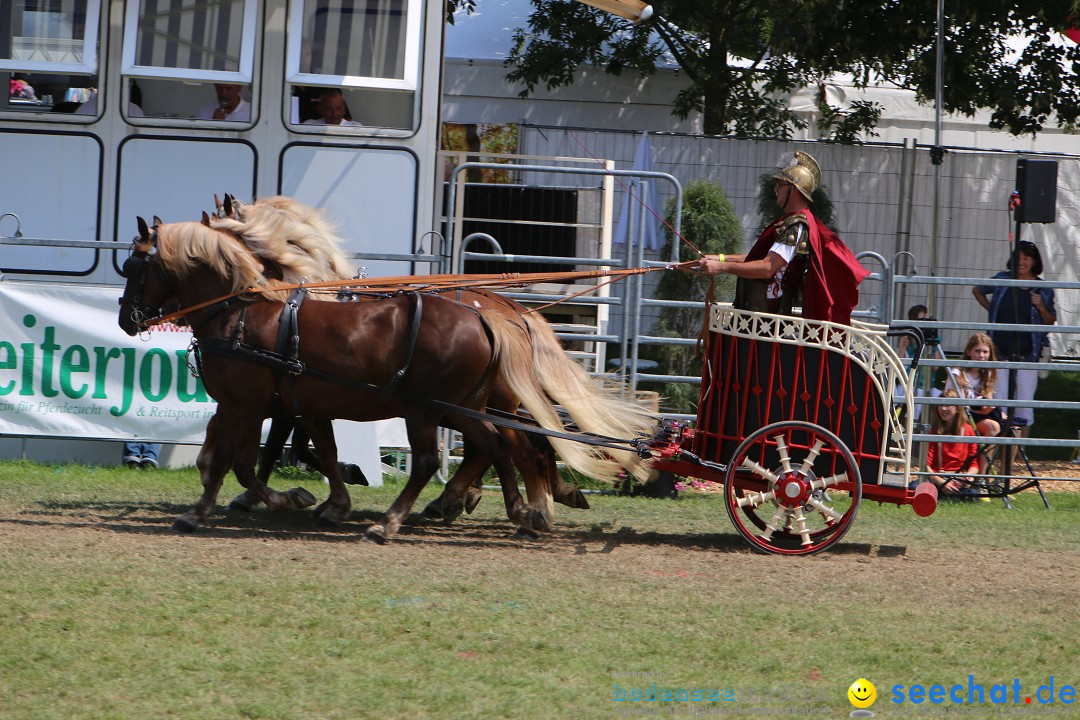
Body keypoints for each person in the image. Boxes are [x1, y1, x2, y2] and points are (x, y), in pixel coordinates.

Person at [696, 151, 869, 325]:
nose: (775, 189)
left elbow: (768, 267)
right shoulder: (789, 222)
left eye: (780, 184)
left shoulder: (796, 226)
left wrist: (721, 267)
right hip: (759, 314)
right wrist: (720, 258)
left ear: (793, 189)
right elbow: (761, 259)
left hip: (768, 319)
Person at [971, 240, 1056, 432]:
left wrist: (1041, 306)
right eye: (1018, 258)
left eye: (1026, 258)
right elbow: (977, 289)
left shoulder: (1044, 288)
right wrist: (991, 309)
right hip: (1000, 353)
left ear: (1034, 262)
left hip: (1028, 355)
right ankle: (1000, 450)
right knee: (998, 403)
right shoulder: (1003, 279)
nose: (1022, 262)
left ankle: (1018, 454)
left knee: (1024, 406)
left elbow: (1050, 320)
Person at [924, 390, 982, 499]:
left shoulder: (968, 430)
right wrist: (941, 482)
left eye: (948, 405)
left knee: (973, 494)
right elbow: (926, 465)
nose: (943, 409)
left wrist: (968, 477)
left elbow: (974, 465)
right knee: (915, 487)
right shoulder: (934, 431)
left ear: (957, 409)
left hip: (959, 479)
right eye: (941, 405)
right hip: (938, 478)